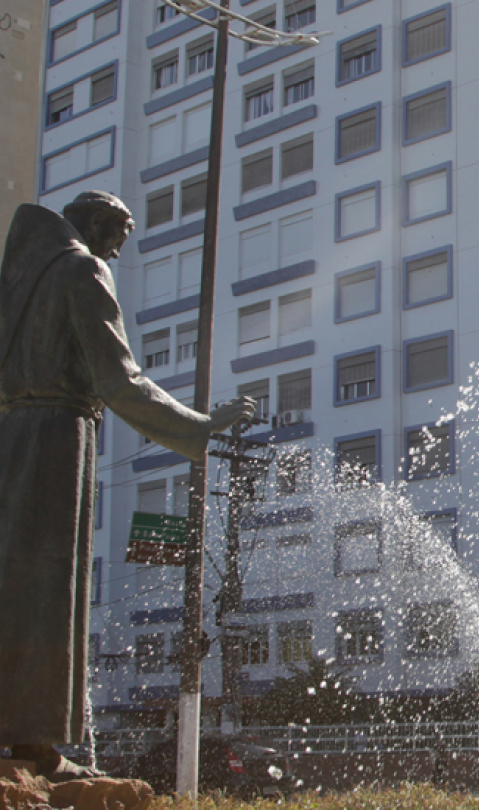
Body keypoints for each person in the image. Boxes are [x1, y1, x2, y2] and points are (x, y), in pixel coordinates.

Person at [0, 192, 255, 781]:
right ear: (92, 225)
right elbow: (118, 378)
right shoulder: (83, 268)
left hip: (13, 436)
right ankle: (37, 745)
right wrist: (200, 424)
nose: (118, 248)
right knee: (52, 587)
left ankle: (20, 737)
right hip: (60, 436)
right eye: (117, 233)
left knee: (17, 584)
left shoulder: (21, 280)